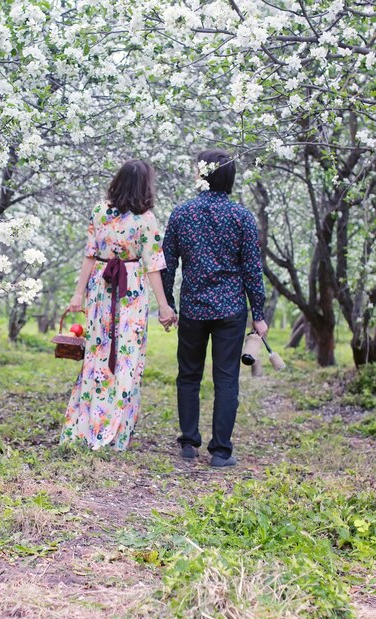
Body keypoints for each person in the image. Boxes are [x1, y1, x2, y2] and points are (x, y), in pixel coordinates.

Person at [161, 148, 268, 468]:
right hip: (230, 310)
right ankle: (221, 451)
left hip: (193, 308)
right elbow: (252, 269)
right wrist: (259, 314)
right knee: (226, 380)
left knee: (188, 375)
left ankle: (189, 443)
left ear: (202, 174)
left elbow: (167, 264)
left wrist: (168, 304)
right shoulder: (241, 216)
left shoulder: (182, 214)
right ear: (230, 176)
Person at [61, 159, 176, 450]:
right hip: (131, 291)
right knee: (127, 358)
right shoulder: (146, 219)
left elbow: (90, 255)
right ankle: (114, 434)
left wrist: (78, 294)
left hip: (101, 287)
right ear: (144, 185)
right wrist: (164, 307)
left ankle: (87, 427)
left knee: (98, 354)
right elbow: (152, 266)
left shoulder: (101, 210)